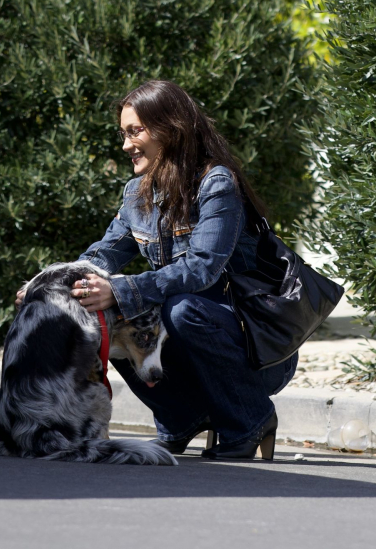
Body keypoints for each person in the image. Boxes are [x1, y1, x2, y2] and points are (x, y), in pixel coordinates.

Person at [17, 80, 298, 460]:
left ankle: (251, 418)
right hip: (187, 344)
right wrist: (53, 287)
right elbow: (100, 256)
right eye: (123, 133)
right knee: (101, 313)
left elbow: (202, 269)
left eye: (135, 132)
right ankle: (181, 419)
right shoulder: (137, 194)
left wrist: (121, 290)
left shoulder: (216, 184)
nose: (125, 145)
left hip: (255, 349)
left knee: (182, 308)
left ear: (171, 128)